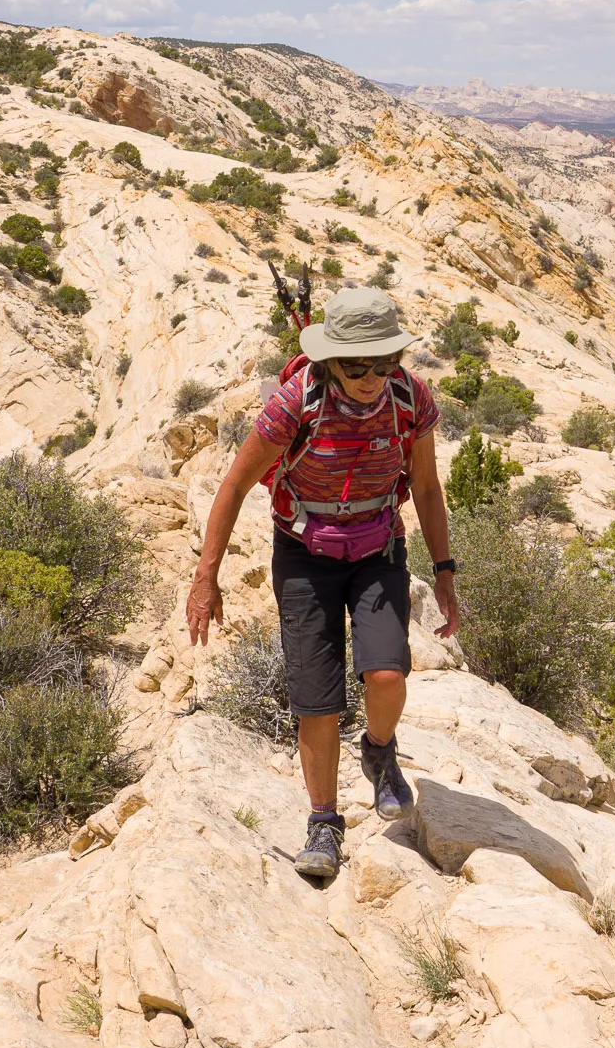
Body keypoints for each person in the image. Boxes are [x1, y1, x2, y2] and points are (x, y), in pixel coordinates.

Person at [187, 287, 463, 882]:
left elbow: (428, 489)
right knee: (318, 701)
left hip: (378, 549)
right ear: (331, 360)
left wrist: (444, 572)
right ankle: (323, 822)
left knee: (387, 674)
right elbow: (234, 485)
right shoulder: (295, 403)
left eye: (381, 362)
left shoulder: (409, 399)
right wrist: (206, 577)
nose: (369, 377)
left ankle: (380, 752)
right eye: (355, 364)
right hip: (305, 555)